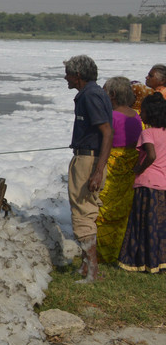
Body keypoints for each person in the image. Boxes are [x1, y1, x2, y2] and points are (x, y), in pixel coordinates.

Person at [63, 55, 113, 283]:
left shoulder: (91, 95)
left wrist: (97, 170)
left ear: (78, 75)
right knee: (82, 209)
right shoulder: (91, 93)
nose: (66, 78)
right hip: (85, 157)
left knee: (83, 212)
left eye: (69, 74)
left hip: (88, 160)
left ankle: (92, 272)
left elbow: (106, 131)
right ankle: (86, 267)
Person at [95, 77, 143, 265]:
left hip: (112, 167)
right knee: (123, 212)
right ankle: (119, 251)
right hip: (130, 168)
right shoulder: (137, 116)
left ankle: (101, 253)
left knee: (103, 210)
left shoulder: (110, 117)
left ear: (112, 95)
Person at [118, 92, 166, 273]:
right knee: (159, 224)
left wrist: (139, 168)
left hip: (147, 183)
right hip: (162, 184)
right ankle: (159, 261)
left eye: (143, 112)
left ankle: (141, 261)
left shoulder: (147, 133)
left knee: (142, 223)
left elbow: (151, 155)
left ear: (150, 114)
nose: (140, 115)